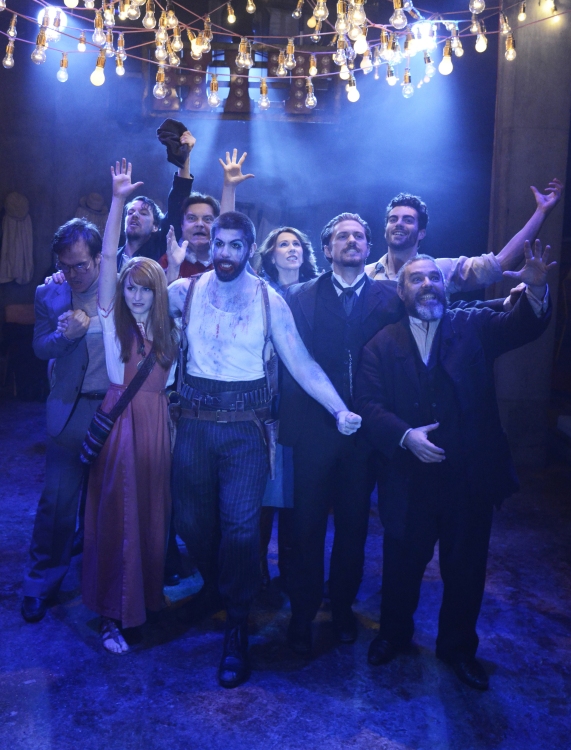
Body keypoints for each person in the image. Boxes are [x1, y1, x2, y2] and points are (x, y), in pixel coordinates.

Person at [168, 211, 361, 688]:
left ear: (250, 250)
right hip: (193, 423)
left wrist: (339, 409)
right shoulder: (185, 291)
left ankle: (237, 623)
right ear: (210, 245)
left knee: (240, 531)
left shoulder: (269, 299)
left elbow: (302, 363)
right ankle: (216, 587)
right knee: (190, 523)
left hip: (246, 430)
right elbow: (132, 303)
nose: (225, 254)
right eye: (219, 244)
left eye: (236, 246)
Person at [354, 244, 553, 690]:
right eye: (417, 278)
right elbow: (367, 404)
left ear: (445, 286)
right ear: (402, 292)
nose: (428, 284)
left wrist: (537, 291)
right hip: (409, 479)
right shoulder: (380, 344)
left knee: (465, 570)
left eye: (434, 277)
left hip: (468, 480)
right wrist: (406, 436)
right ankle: (393, 636)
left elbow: (521, 325)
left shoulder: (473, 324)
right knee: (401, 566)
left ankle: (458, 649)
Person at [279, 213, 403, 656]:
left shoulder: (392, 297)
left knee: (353, 529)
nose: (351, 241)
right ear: (327, 248)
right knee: (304, 528)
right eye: (342, 236)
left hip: (364, 437)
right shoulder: (297, 296)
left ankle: (343, 607)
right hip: (310, 432)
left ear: (369, 246)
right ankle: (301, 613)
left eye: (359, 236)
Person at [81, 160, 177, 653]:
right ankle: (111, 615)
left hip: (158, 427)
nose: (136, 295)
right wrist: (117, 201)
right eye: (131, 287)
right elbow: (106, 260)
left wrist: (174, 267)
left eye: (145, 289)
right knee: (119, 518)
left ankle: (141, 604)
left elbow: (170, 285)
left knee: (152, 520)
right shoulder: (112, 321)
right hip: (122, 428)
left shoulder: (166, 329)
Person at [21, 219, 108, 623]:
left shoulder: (120, 284)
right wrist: (66, 336)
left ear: (98, 258)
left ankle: (111, 590)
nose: (72, 274)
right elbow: (40, 347)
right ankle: (39, 584)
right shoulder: (49, 291)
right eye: (65, 266)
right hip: (68, 410)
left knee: (113, 501)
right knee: (56, 503)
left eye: (81, 265)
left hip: (114, 409)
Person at [256, 227, 320, 593]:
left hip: (305, 404)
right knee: (264, 494)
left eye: (297, 244)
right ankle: (257, 568)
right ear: (271, 254)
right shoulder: (258, 292)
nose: (292, 249)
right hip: (264, 404)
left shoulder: (317, 293)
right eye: (284, 244)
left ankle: (291, 572)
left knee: (297, 496)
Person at [365, 181, 563, 291]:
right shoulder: (365, 275)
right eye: (393, 219)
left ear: (421, 232)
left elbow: (500, 264)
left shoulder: (439, 271)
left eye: (408, 220)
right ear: (385, 228)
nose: (398, 223)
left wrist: (541, 212)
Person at [161, 149, 254, 282]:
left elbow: (226, 226)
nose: (200, 224)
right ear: (181, 225)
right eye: (192, 218)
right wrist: (173, 268)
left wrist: (229, 187)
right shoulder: (167, 260)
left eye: (207, 219)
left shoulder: (231, 261)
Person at [116, 130, 196, 271]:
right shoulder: (111, 256)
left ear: (155, 227)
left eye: (143, 213)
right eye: (130, 212)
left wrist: (184, 157)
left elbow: (177, 201)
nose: (135, 215)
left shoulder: (161, 248)